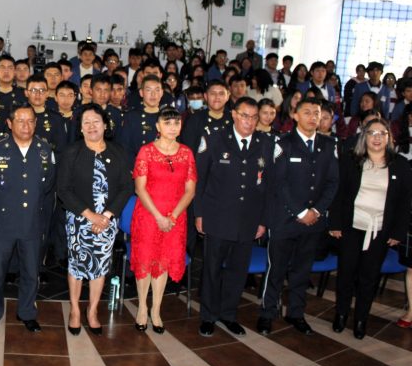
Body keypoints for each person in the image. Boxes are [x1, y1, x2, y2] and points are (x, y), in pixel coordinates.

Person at [257, 97, 339, 336]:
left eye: (317, 112)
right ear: (295, 115)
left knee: (302, 271)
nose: (313, 117)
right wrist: (301, 212)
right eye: (307, 112)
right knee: (276, 270)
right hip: (284, 220)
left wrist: (316, 211)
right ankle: (267, 312)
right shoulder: (283, 143)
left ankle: (296, 313)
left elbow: (333, 182)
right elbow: (279, 183)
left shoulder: (328, 144)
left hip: (314, 222)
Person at [195, 97, 274, 337]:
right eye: (244, 115)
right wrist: (199, 214)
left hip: (248, 220)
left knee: (238, 271)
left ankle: (228, 314)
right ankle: (208, 316)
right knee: (212, 269)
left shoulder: (265, 143)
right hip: (217, 216)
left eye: (253, 116)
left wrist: (263, 220)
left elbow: (269, 186)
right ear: (234, 115)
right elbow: (200, 179)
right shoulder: (214, 138)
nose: (249, 121)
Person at [328, 118, 412, 339]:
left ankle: (361, 319)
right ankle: (341, 314)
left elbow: (405, 202)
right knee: (346, 273)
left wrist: (398, 232)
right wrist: (335, 223)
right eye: (372, 133)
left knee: (369, 277)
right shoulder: (350, 161)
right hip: (351, 226)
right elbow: (338, 194)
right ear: (363, 136)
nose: (377, 137)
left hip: (380, 231)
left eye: (382, 133)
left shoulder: (400, 165)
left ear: (389, 137)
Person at [0, 106, 56, 333]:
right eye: (20, 121)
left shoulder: (44, 149)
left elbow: (49, 183)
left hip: (32, 221)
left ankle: (27, 313)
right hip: (1, 222)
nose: (26, 125)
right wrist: (5, 203)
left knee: (31, 272)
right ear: (9, 123)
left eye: (31, 121)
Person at [58, 104, 132, 335]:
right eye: (86, 123)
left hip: (108, 221)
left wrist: (107, 216)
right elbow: (63, 189)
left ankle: (92, 311)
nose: (91, 126)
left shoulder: (118, 151)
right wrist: (90, 215)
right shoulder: (72, 152)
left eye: (96, 121)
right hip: (80, 219)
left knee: (100, 266)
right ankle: (75, 311)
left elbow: (126, 186)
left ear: (105, 125)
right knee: (77, 265)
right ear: (80, 128)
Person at [131, 107, 196, 333]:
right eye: (167, 123)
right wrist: (159, 217)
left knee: (164, 261)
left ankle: (156, 310)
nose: (172, 127)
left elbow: (190, 190)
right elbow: (140, 188)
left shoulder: (187, 153)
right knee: (146, 261)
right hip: (149, 215)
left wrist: (173, 216)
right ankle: (141, 307)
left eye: (176, 123)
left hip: (175, 216)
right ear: (157, 126)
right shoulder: (146, 152)